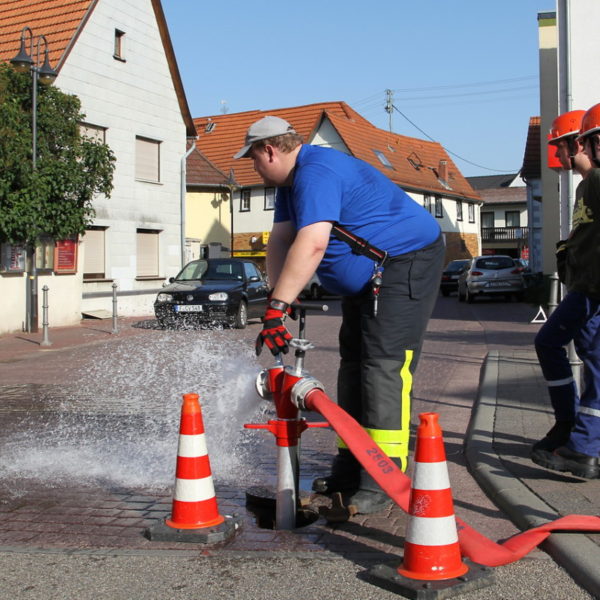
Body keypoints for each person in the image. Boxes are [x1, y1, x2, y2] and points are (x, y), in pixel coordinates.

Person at [234, 115, 445, 514]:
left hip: (406, 263)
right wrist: (280, 295)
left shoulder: (317, 170)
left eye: (254, 159)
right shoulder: (290, 184)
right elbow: (282, 239)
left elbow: (313, 242)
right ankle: (351, 465)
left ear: (270, 150)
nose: (254, 168)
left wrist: (275, 312)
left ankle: (383, 478)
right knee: (352, 364)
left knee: (383, 366)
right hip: (373, 277)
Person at [531, 106, 600, 479]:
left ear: (579, 143)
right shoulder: (585, 187)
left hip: (591, 289)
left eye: (561, 147)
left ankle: (580, 440)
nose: (558, 155)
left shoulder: (597, 181)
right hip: (583, 284)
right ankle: (580, 436)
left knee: (555, 346)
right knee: (592, 360)